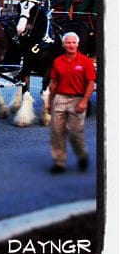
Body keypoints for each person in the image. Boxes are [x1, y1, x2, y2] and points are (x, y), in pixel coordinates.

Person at [46, 32, 96, 174]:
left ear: (78, 44)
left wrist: (85, 101)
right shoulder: (58, 61)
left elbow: (90, 83)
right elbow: (54, 83)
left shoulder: (86, 62)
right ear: (63, 45)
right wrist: (50, 102)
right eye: (68, 42)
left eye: (73, 42)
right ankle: (59, 162)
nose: (71, 45)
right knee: (57, 132)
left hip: (77, 99)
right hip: (60, 98)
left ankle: (82, 156)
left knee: (75, 133)